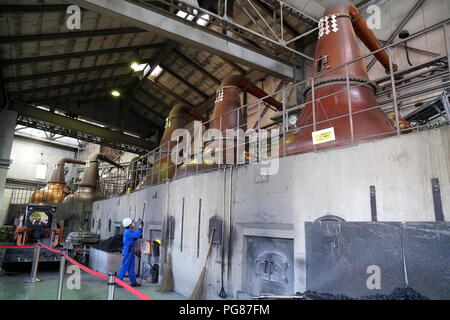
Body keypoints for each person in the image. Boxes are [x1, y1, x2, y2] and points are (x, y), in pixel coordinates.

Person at [117, 217, 143, 287]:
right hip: (128, 250)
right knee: (125, 266)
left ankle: (133, 282)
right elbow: (137, 235)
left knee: (131, 267)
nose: (133, 224)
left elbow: (135, 237)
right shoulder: (128, 232)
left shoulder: (129, 231)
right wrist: (140, 227)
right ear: (129, 225)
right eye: (131, 223)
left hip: (130, 250)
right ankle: (118, 282)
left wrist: (136, 236)